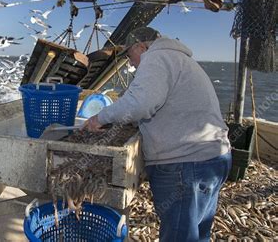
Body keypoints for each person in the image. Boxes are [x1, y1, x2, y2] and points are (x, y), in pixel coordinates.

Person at [82, 27, 231, 242]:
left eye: (128, 55)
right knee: (197, 234)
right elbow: (146, 97)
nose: (130, 63)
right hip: (212, 158)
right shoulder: (178, 58)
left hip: (186, 164)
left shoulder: (156, 57)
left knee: (179, 236)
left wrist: (99, 119)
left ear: (141, 46)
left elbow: (141, 104)